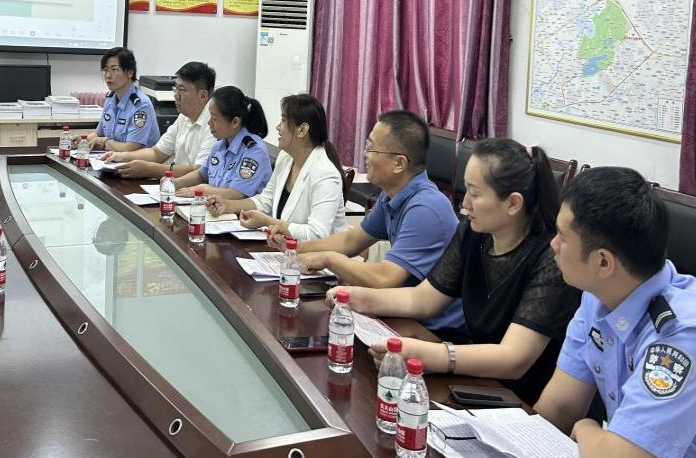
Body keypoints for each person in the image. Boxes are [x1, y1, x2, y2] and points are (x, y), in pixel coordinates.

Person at [534, 167, 696, 458]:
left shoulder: (682, 335)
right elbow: (560, 406)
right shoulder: (598, 297)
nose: (553, 245)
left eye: (562, 237)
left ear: (603, 262)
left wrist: (586, 427)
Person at [337, 138, 581, 404]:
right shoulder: (474, 232)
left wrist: (431, 355)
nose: (465, 203)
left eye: (475, 194)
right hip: (475, 381)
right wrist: (357, 297)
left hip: (524, 400)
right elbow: (423, 299)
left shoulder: (551, 258)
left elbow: (514, 359)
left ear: (513, 203)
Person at [273, 112, 463, 333]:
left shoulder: (426, 209)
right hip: (400, 313)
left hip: (434, 330)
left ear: (399, 163)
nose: (365, 155)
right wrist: (296, 247)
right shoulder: (392, 195)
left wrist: (328, 258)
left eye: (371, 148)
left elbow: (385, 277)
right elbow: (351, 241)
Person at [207, 93, 347, 241]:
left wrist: (267, 221)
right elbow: (265, 201)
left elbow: (317, 234)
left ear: (302, 130)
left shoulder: (325, 174)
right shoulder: (286, 158)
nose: (278, 127)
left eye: (284, 120)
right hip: (285, 248)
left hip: (316, 254)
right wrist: (227, 205)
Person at [103, 61, 216, 178]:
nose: (176, 95)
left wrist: (150, 169)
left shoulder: (214, 123)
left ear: (203, 95)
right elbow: (156, 153)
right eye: (175, 88)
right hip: (177, 184)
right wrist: (121, 156)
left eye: (181, 90)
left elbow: (200, 171)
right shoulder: (184, 117)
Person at [174, 86, 272, 200]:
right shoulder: (220, 145)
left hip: (241, 210)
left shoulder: (254, 151)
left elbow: (236, 194)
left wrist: (200, 190)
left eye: (214, 119)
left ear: (235, 122)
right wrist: (177, 182)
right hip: (215, 207)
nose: (209, 122)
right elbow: (201, 174)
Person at [86, 47, 160, 151]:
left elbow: (130, 148)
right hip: (112, 157)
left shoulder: (141, 105)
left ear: (130, 72)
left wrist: (104, 142)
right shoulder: (110, 99)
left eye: (114, 70)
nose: (108, 76)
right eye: (106, 70)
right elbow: (98, 133)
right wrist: (82, 141)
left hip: (136, 160)